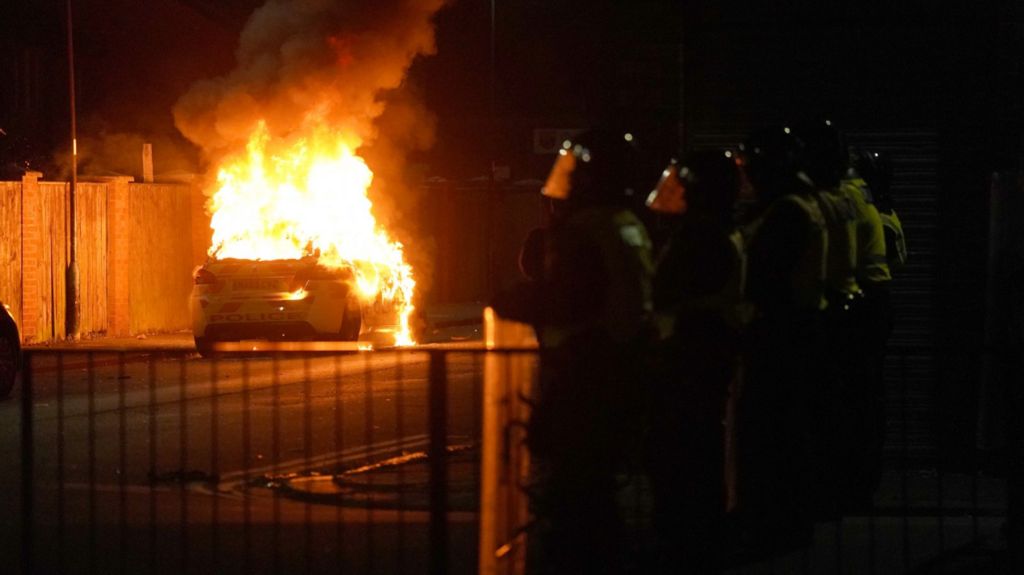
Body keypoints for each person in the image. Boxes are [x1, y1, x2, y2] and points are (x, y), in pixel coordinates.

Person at [492, 128, 654, 575]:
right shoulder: (627, 223)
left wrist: (510, 301)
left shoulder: (586, 230)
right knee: (594, 487)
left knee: (575, 489)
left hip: (589, 369)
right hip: (622, 362)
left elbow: (570, 299)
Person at [645, 150, 744, 573]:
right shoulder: (722, 230)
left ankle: (684, 548)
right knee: (699, 454)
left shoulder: (699, 236)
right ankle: (699, 542)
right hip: (707, 356)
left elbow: (664, 292)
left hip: (691, 359)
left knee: (682, 457)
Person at [733, 125, 828, 554]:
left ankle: (774, 525)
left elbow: (764, 277)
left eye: (752, 166)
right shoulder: (797, 204)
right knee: (784, 432)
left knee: (772, 433)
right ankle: (782, 523)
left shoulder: (787, 211)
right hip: (792, 329)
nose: (748, 176)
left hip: (780, 333)